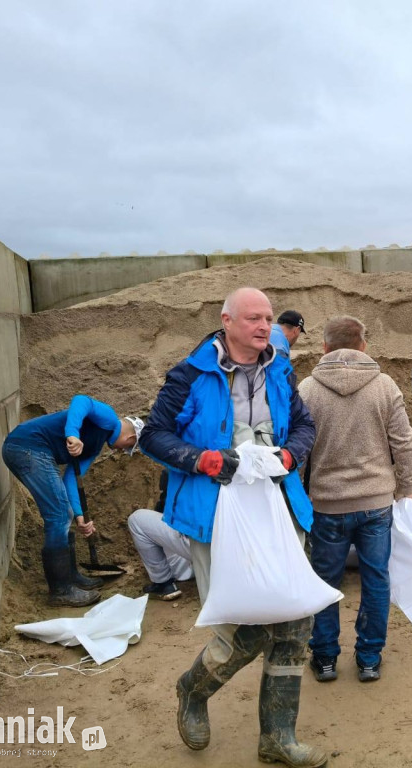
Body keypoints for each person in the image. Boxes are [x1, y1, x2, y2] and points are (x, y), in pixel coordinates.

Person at [140, 287, 325, 767]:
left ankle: (278, 737)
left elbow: (305, 426)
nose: (264, 326)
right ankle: (193, 690)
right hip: (217, 513)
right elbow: (154, 436)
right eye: (252, 318)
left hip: (277, 506)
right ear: (226, 320)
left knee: (294, 618)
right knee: (242, 624)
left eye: (267, 318)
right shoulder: (189, 375)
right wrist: (198, 458)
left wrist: (290, 454)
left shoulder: (281, 370)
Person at [299, 315, 412, 684]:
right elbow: (404, 442)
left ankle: (325, 658)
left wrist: (296, 497)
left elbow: (297, 450)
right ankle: (368, 659)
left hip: (326, 503)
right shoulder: (384, 386)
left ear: (325, 347)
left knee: (324, 581)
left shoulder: (307, 390)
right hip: (376, 502)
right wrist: (406, 488)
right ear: (363, 345)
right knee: (376, 580)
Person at [0, 396, 142, 607]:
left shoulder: (94, 447)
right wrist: (73, 435)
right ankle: (60, 590)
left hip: (33, 450)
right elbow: (81, 401)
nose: (122, 451)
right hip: (27, 446)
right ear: (130, 437)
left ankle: (70, 576)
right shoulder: (109, 419)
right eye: (126, 447)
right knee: (58, 514)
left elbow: (71, 480)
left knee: (65, 512)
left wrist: (80, 516)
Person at [126, 472, 193, 601]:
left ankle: (163, 583)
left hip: (202, 544)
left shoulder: (185, 464)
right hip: (236, 552)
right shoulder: (233, 461)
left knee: (137, 520)